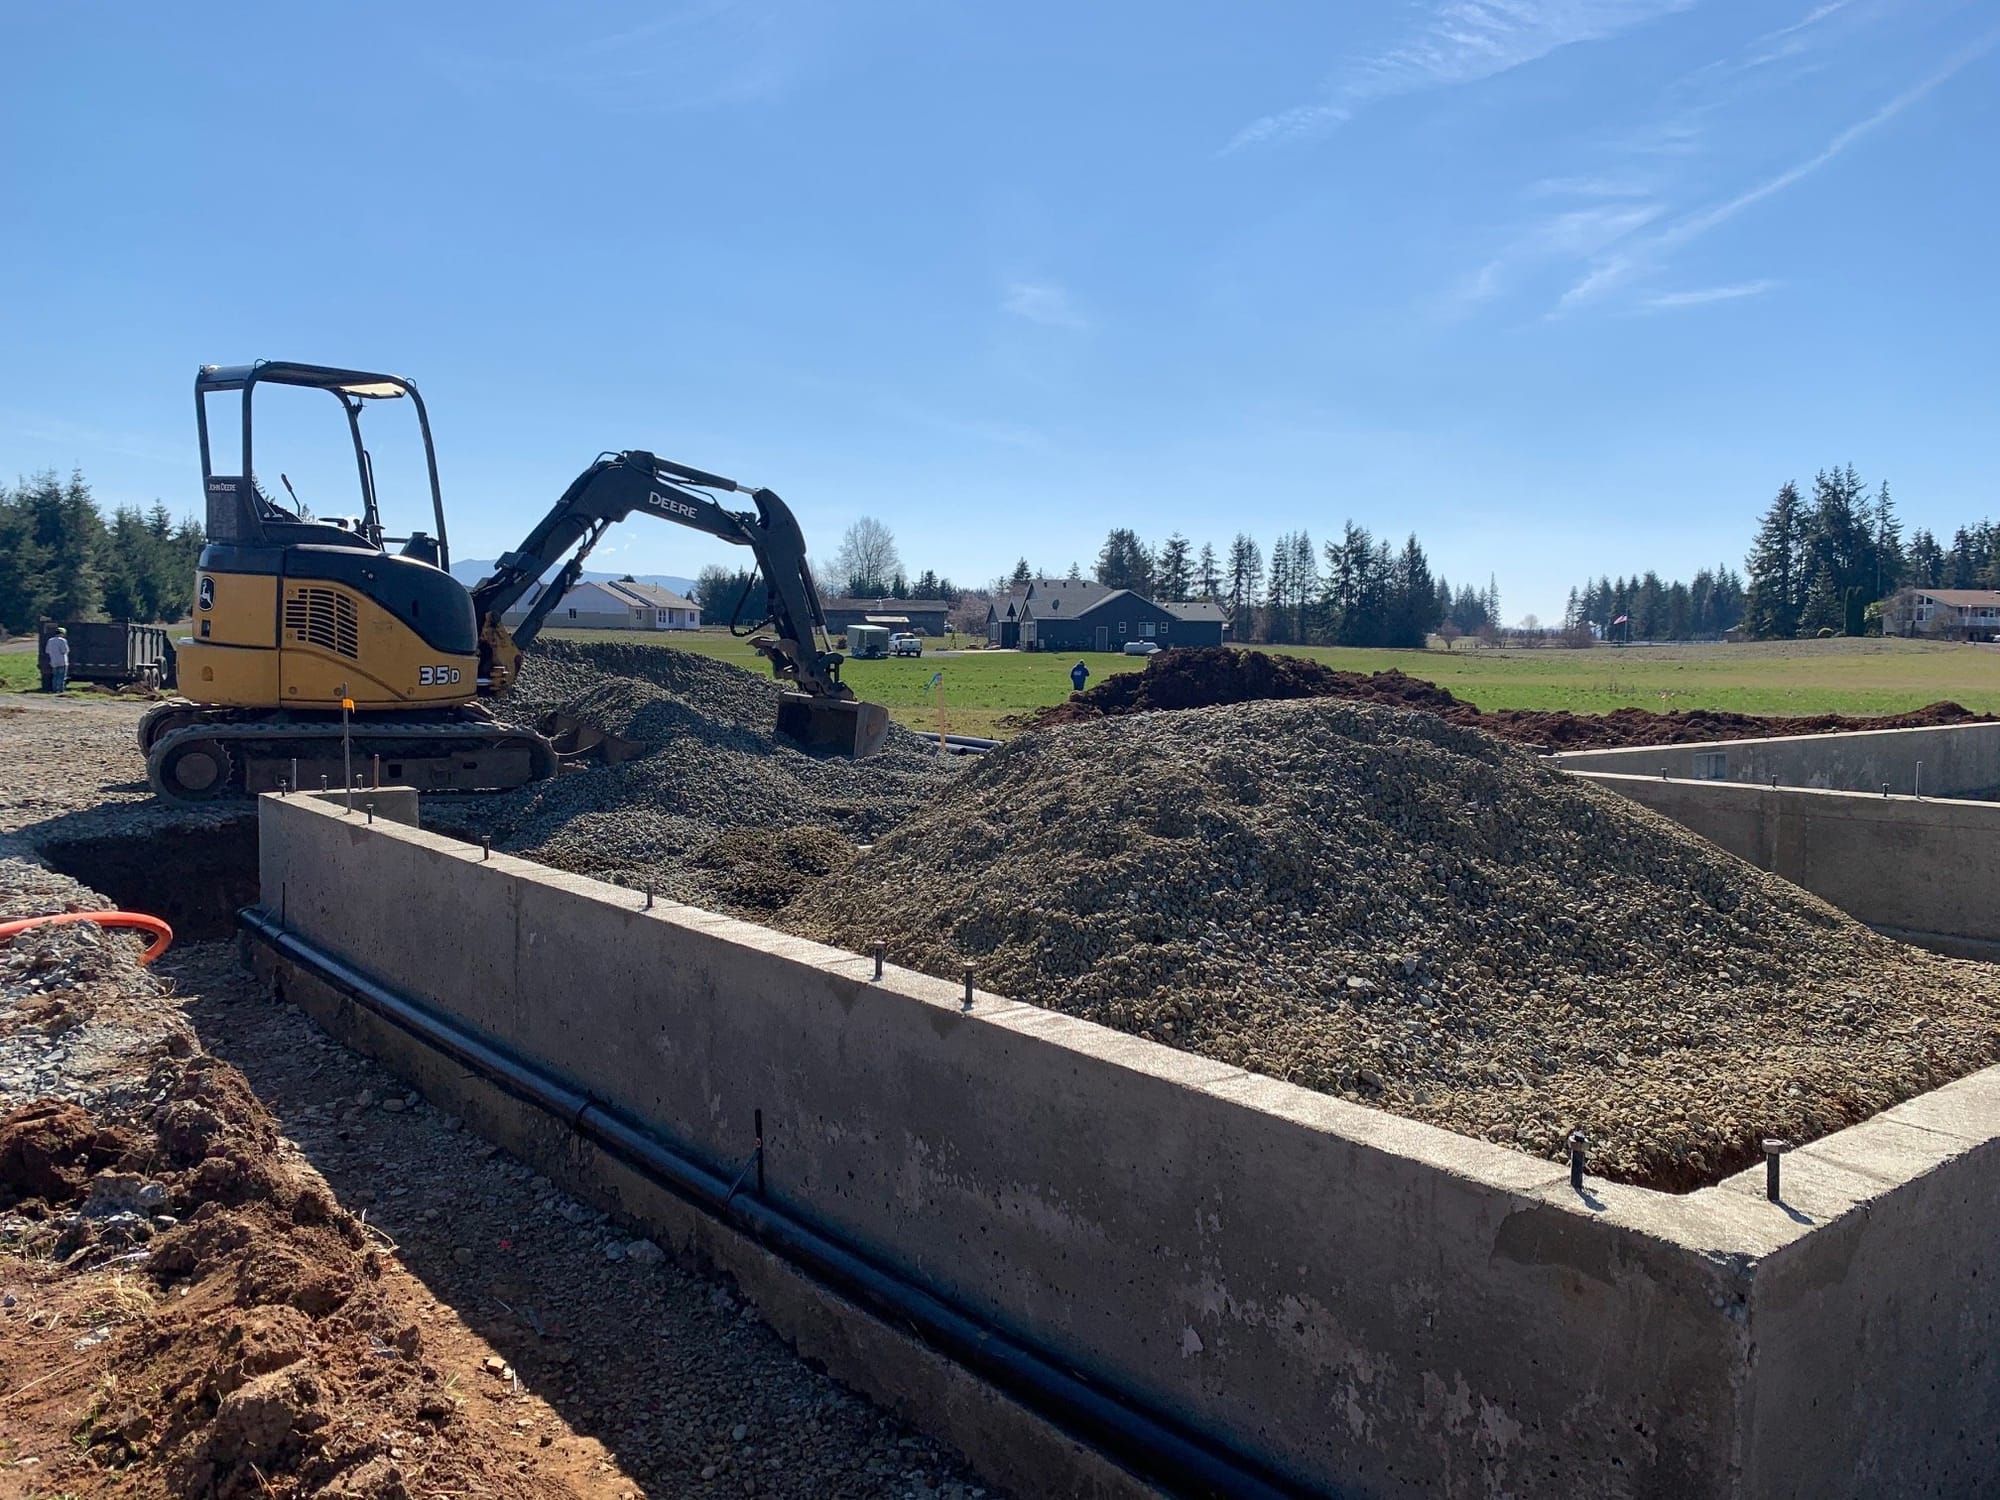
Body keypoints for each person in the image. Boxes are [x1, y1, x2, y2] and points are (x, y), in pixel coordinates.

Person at [44, 627, 69, 694]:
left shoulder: (50, 640)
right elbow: (65, 651)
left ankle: (54, 689)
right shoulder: (62, 640)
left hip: (53, 661)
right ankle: (60, 690)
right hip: (62, 661)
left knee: (55, 676)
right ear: (62, 633)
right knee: (61, 676)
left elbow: (47, 651)